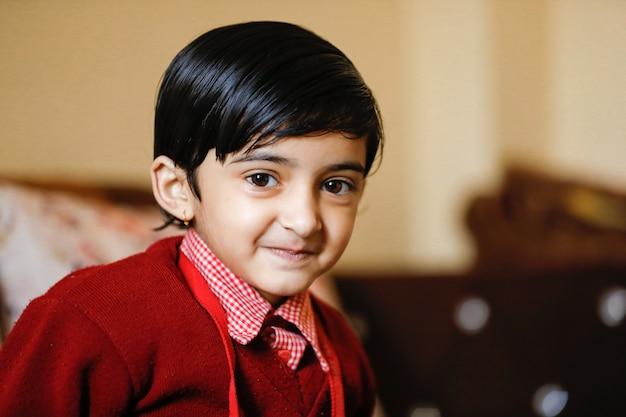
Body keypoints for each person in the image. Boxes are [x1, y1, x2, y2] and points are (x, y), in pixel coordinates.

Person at [0, 21, 384, 416]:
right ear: (177, 189)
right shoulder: (90, 320)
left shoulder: (338, 346)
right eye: (262, 178)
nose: (305, 221)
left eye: (336, 185)